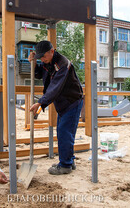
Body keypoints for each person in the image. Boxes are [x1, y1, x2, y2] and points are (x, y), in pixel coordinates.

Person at [28, 40, 83, 175]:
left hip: (71, 102)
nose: (42, 59)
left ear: (52, 51)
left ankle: (65, 165)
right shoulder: (48, 61)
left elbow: (55, 88)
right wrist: (34, 64)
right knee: (64, 132)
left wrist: (40, 103)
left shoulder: (62, 64)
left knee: (64, 132)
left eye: (44, 56)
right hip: (63, 103)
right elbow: (40, 74)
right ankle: (68, 160)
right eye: (40, 57)